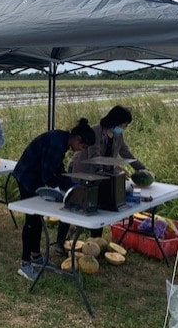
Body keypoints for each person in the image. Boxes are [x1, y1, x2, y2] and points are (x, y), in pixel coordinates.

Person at [55, 105, 153, 253]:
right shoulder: (95, 131)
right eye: (123, 124)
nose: (124, 128)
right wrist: (115, 167)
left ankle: (95, 245)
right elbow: (93, 157)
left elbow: (126, 153)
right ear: (116, 121)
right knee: (73, 205)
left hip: (103, 175)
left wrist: (142, 168)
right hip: (82, 171)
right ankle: (60, 243)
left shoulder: (118, 135)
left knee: (97, 207)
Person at [13, 118, 96, 281]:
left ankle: (36, 257)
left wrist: (68, 181)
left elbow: (56, 169)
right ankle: (24, 264)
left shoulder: (63, 140)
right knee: (31, 220)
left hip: (35, 177)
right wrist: (67, 186)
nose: (80, 150)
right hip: (27, 177)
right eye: (83, 147)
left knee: (37, 218)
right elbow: (47, 176)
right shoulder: (57, 144)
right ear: (78, 139)